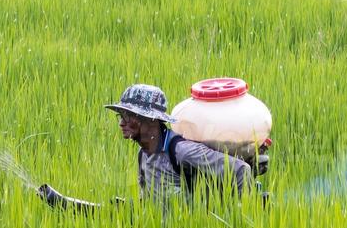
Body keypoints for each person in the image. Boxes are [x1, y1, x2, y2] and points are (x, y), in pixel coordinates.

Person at [38, 84, 260, 213]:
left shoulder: (182, 151)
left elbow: (241, 171)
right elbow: (153, 200)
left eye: (128, 116)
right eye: (120, 116)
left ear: (150, 120)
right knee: (107, 213)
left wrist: (241, 216)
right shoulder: (143, 154)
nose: (121, 123)